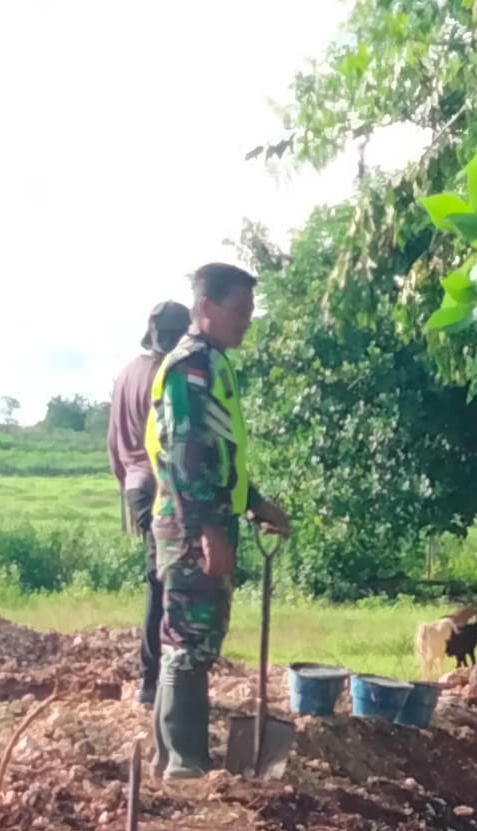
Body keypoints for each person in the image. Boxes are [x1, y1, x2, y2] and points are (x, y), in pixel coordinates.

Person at [146, 262, 292, 780]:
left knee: (199, 639)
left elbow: (218, 455)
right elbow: (186, 455)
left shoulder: (215, 364)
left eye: (251, 311)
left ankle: (176, 756)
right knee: (189, 638)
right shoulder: (191, 368)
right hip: (189, 524)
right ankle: (182, 762)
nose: (248, 321)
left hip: (208, 517)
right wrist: (208, 531)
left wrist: (255, 503)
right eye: (240, 311)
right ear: (206, 309)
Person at [109, 300, 191, 707]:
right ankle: (154, 681)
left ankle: (154, 681)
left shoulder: (126, 375)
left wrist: (128, 488)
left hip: (136, 487)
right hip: (163, 488)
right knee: (167, 585)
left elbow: (113, 446)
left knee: (159, 583)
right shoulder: (169, 376)